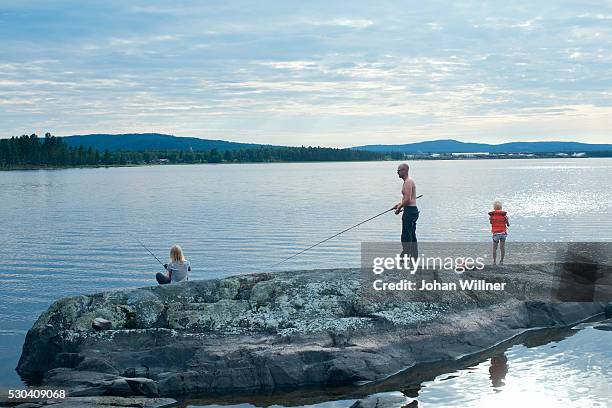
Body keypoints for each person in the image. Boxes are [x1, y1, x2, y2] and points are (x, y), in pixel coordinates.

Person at [393, 163, 419, 262]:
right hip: (412, 210)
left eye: (399, 170)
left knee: (406, 236)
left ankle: (404, 258)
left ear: (404, 170)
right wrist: (399, 204)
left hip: (410, 212)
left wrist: (399, 208)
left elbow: (408, 200)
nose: (397, 172)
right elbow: (408, 200)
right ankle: (413, 259)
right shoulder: (408, 182)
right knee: (411, 235)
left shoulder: (408, 182)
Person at [489, 201, 509, 265]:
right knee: (502, 248)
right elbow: (508, 225)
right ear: (501, 208)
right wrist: (507, 220)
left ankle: (494, 262)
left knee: (495, 248)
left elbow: (491, 223)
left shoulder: (492, 217)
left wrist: (491, 219)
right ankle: (501, 261)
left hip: (496, 234)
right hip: (503, 234)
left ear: (494, 208)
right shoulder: (504, 216)